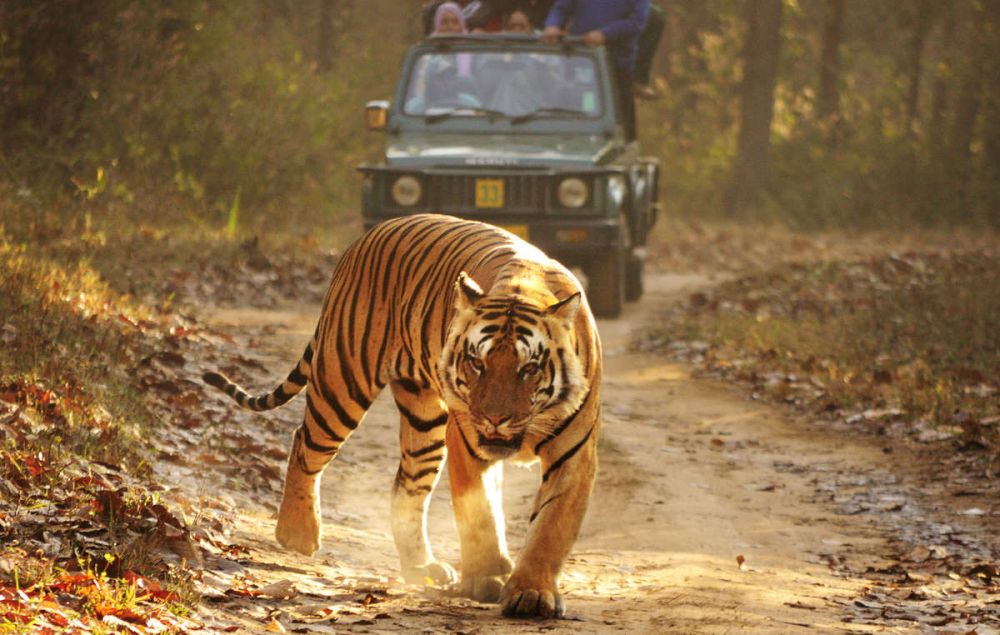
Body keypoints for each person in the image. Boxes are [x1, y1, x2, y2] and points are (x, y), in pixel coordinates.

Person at [543, 0, 650, 140]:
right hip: (582, 59)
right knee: (583, 106)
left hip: (616, 64)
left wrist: (605, 34)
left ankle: (625, 146)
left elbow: (637, 22)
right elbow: (561, 8)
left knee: (621, 119)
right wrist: (552, 24)